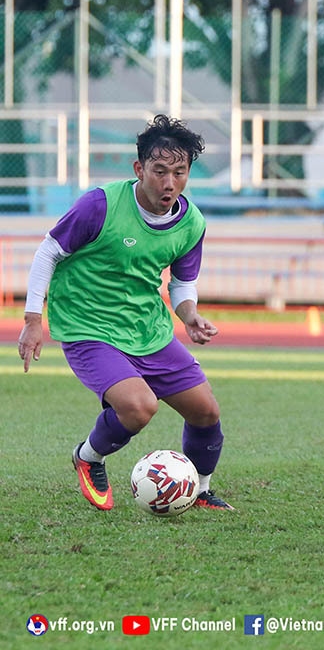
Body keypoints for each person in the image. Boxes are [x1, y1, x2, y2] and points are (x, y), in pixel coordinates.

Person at [17, 114, 235, 512]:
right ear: (140, 169)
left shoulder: (191, 223)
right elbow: (48, 251)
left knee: (206, 412)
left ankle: (200, 490)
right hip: (88, 327)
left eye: (180, 172)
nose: (169, 183)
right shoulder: (100, 205)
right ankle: (88, 456)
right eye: (160, 171)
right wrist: (34, 320)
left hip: (147, 329)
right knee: (139, 406)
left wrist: (189, 316)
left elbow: (182, 283)